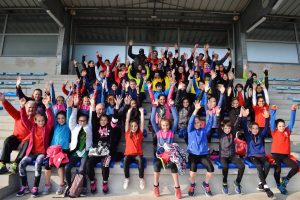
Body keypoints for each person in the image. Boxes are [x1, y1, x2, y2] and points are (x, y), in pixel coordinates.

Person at [17, 96, 54, 197]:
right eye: (39, 121)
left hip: (42, 153)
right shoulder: (32, 127)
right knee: (21, 164)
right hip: (32, 153)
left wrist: (47, 107)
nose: (41, 122)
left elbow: (50, 119)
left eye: (43, 121)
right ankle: (24, 186)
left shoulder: (47, 128)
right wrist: (21, 107)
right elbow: (24, 120)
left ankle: (35, 187)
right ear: (35, 121)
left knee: (38, 164)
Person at [86, 95, 122, 194]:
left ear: (108, 121)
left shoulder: (111, 127)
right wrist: (93, 104)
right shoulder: (96, 126)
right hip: (96, 151)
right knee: (89, 164)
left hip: (107, 152)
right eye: (101, 120)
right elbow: (93, 116)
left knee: (105, 164)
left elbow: (115, 118)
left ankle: (105, 182)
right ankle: (92, 181)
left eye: (105, 120)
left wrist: (117, 107)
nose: (103, 121)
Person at [150, 101, 181, 199]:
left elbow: (176, 119)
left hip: (170, 155)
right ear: (160, 125)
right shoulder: (158, 132)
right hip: (160, 156)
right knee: (156, 165)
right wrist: (154, 107)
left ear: (169, 125)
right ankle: (156, 186)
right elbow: (151, 120)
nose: (165, 127)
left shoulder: (172, 132)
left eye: (167, 125)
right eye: (163, 125)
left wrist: (172, 106)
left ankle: (177, 188)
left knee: (173, 165)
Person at [42, 97, 72, 195]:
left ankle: (61, 184)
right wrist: (48, 106)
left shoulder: (68, 125)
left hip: (63, 150)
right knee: (47, 166)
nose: (61, 120)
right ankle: (47, 184)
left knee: (60, 165)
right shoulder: (55, 125)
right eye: (58, 118)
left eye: (62, 118)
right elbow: (51, 116)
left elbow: (69, 116)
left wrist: (70, 107)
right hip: (52, 150)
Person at [0, 93, 36, 174]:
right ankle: (3, 164)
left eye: (33, 108)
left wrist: (24, 141)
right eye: (29, 107)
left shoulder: (37, 119)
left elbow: (34, 133)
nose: (31, 109)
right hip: (16, 139)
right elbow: (10, 109)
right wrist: (3, 100)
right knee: (8, 140)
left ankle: (16, 164)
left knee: (28, 142)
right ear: (25, 108)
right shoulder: (19, 115)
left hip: (26, 142)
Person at [242, 108, 274, 198]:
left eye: (257, 128)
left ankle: (261, 183)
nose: (255, 130)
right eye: (253, 128)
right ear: (250, 129)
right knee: (259, 166)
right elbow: (244, 126)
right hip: (252, 156)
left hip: (261, 155)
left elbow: (267, 127)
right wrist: (244, 116)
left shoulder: (261, 135)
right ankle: (266, 187)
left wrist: (267, 118)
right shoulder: (248, 136)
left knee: (267, 164)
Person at [64, 95, 93, 197]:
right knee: (67, 167)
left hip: (85, 152)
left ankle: (83, 187)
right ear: (77, 121)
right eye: (80, 121)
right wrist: (75, 107)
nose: (82, 122)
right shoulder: (74, 127)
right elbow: (72, 118)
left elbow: (91, 115)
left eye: (84, 121)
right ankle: (69, 185)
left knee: (82, 169)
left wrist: (92, 105)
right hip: (75, 153)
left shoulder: (88, 126)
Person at [186, 101, 215, 197]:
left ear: (200, 123)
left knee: (211, 169)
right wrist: (196, 109)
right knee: (193, 169)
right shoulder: (190, 130)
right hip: (193, 155)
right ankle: (192, 184)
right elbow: (190, 121)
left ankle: (205, 183)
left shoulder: (204, 131)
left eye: (198, 122)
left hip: (203, 155)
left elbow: (210, 124)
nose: (196, 124)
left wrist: (210, 114)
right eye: (195, 123)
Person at [270, 104, 298, 195]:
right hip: (276, 155)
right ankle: (279, 185)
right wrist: (273, 111)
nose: (282, 127)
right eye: (280, 126)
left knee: (296, 167)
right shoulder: (274, 131)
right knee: (277, 170)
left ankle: (285, 180)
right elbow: (271, 122)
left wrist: (293, 110)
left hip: (285, 156)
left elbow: (292, 122)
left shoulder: (287, 131)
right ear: (277, 127)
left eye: (283, 126)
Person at [123, 107, 145, 190]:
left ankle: (141, 179)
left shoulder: (140, 133)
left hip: (137, 155)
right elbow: (126, 121)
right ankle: (126, 178)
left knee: (140, 160)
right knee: (125, 160)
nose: (133, 127)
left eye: (135, 126)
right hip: (128, 154)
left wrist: (142, 112)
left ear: (137, 126)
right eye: (131, 126)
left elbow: (142, 122)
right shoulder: (127, 133)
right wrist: (128, 112)